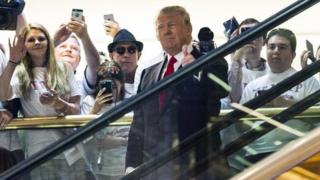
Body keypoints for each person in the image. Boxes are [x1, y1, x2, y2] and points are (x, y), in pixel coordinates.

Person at [125, 5, 228, 179]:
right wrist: (132, 165)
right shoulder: (148, 73)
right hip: (155, 170)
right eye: (160, 27)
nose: (166, 31)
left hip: (198, 167)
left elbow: (220, 90)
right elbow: (139, 124)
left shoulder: (211, 61)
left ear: (188, 29)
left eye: (171, 25)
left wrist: (196, 70)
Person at [0, 23, 84, 179]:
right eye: (31, 40)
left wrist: (58, 103)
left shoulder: (64, 68)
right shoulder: (21, 73)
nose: (37, 42)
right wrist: (12, 61)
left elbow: (76, 110)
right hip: (40, 151)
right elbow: (2, 94)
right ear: (24, 45)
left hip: (72, 148)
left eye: (41, 38)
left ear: (48, 42)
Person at [239, 28, 320, 163]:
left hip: (296, 152)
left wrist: (286, 104)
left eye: (282, 47)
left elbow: (317, 118)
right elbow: (241, 126)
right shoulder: (252, 86)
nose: (276, 51)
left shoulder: (308, 81)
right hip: (256, 153)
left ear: (293, 54)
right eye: (272, 47)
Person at [81, 60, 129, 179]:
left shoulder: (129, 104)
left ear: (121, 84)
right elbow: (84, 138)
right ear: (98, 85)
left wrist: (110, 140)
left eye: (113, 85)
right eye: (105, 85)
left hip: (123, 166)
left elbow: (134, 136)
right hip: (97, 168)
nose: (110, 90)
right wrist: (95, 110)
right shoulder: (90, 102)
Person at [222, 18, 268, 108]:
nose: (250, 37)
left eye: (255, 32)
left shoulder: (274, 70)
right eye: (245, 32)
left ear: (264, 41)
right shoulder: (230, 69)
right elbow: (234, 100)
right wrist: (236, 59)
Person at [54, 15, 100, 100]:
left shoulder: (82, 80)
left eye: (74, 48)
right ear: (52, 55)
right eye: (63, 46)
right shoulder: (42, 72)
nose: (68, 50)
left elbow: (95, 65)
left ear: (79, 60)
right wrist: (54, 40)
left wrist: (84, 37)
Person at [107, 29, 143, 98]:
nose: (126, 54)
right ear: (111, 56)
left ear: (139, 55)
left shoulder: (149, 80)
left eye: (131, 50)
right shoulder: (106, 85)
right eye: (120, 50)